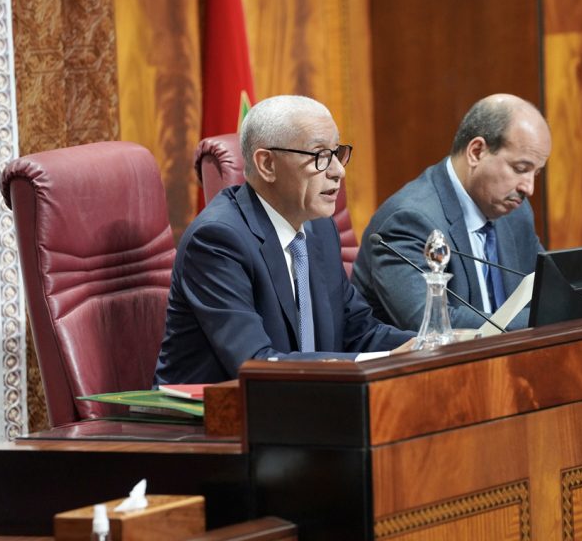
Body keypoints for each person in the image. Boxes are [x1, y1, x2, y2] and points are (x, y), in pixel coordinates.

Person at [155, 95, 414, 384]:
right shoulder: (217, 241)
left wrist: (435, 343)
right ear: (267, 164)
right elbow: (255, 362)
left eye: (337, 152)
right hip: (211, 419)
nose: (338, 171)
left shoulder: (320, 229)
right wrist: (387, 359)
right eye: (319, 155)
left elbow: (359, 333)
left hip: (297, 407)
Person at [352, 94, 551, 331]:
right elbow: (434, 323)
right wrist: (546, 319)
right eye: (520, 169)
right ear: (476, 152)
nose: (528, 188)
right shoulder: (409, 221)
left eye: (535, 174)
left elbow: (549, 293)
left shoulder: (515, 213)